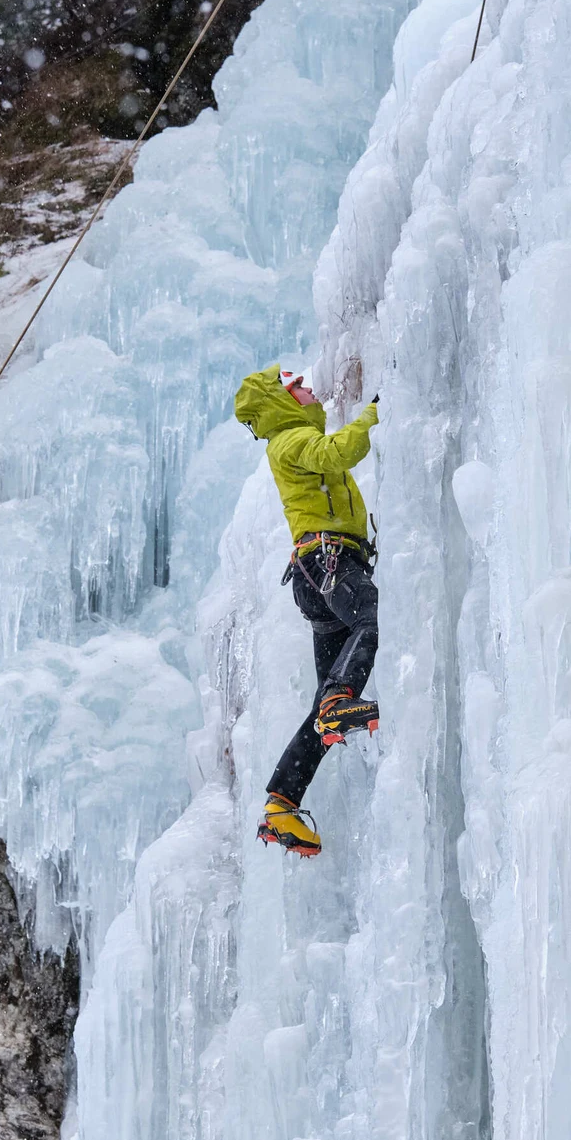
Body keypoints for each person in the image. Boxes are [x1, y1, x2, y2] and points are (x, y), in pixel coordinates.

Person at [232, 364, 381, 857]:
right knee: (367, 616)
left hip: (316, 574)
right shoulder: (289, 441)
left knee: (322, 704)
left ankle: (282, 802)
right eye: (299, 387)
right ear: (280, 401)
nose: (311, 389)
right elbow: (339, 451)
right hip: (329, 561)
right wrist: (379, 411)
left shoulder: (291, 438)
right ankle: (341, 699)